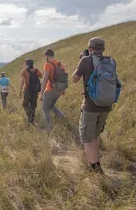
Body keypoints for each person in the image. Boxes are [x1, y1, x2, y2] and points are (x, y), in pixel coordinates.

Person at [72, 37, 119, 174]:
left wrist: (81, 61)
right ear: (103, 49)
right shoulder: (111, 61)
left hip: (90, 107)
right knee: (95, 135)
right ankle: (94, 159)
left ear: (90, 48)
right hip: (106, 106)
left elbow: (74, 79)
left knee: (87, 137)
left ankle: (96, 169)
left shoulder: (85, 60)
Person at [40, 48, 67, 130]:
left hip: (50, 90)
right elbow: (63, 78)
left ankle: (49, 127)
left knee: (45, 108)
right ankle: (62, 116)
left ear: (47, 56)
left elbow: (45, 79)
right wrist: (63, 90)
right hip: (59, 91)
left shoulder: (47, 64)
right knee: (51, 106)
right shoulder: (60, 64)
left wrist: (41, 94)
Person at [20, 59, 43, 125]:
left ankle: (29, 114)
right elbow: (43, 77)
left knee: (25, 104)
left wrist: (20, 92)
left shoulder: (24, 71)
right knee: (33, 106)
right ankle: (32, 121)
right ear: (33, 64)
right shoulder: (37, 70)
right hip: (35, 91)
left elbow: (21, 83)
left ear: (26, 64)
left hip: (27, 91)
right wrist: (40, 85)